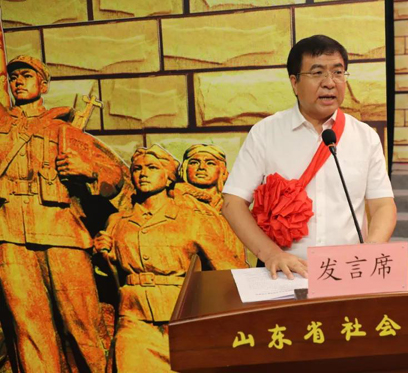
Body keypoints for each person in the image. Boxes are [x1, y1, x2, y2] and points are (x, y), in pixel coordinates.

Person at [222, 35, 397, 279]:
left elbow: (383, 206)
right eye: (317, 73)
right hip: (285, 275)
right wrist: (271, 254)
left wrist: (373, 248)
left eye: (338, 72)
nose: (330, 83)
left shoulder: (364, 136)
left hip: (348, 274)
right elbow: (232, 203)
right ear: (294, 83)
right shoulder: (266, 133)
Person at [0, 55, 124, 372]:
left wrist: (88, 171)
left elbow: (115, 174)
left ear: (43, 85)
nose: (18, 81)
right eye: (13, 77)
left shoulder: (63, 130)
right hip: (10, 235)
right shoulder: (1, 130)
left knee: (81, 321)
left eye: (26, 75)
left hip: (61, 233)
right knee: (28, 325)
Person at [94, 145, 244, 372]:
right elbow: (112, 280)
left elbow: (227, 267)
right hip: (134, 318)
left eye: (152, 168)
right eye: (137, 169)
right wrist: (104, 257)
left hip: (182, 316)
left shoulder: (191, 219)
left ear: (169, 177)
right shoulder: (117, 221)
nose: (143, 173)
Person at [174, 144, 249, 266]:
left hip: (232, 271)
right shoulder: (178, 201)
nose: (201, 167)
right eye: (194, 162)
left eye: (210, 163)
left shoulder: (230, 205)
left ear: (222, 170)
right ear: (185, 168)